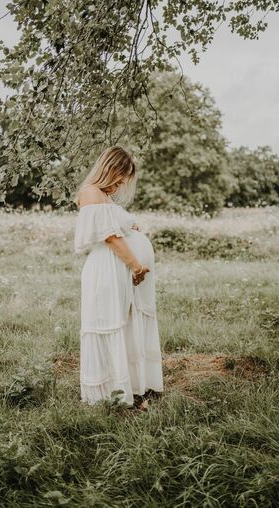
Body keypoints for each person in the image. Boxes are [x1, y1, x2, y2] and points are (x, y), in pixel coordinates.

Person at [73, 146, 164, 407]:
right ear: (109, 169)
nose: (121, 183)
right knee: (109, 321)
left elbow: (116, 228)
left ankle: (128, 387)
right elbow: (110, 237)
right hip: (107, 269)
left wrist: (129, 226)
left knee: (124, 322)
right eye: (120, 177)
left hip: (118, 269)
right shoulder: (91, 193)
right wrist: (136, 266)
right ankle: (108, 394)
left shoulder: (103, 197)